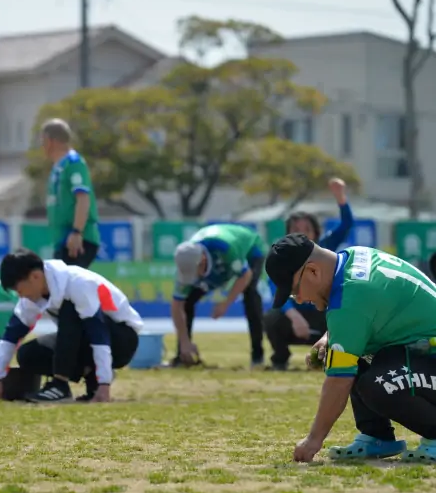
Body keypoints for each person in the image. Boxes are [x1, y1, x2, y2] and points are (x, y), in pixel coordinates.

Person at [266, 233, 436, 463]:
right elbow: (366, 309)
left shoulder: (351, 296)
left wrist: (313, 440)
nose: (298, 299)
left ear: (313, 271)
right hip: (422, 353)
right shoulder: (354, 257)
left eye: (295, 290)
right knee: (344, 355)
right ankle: (377, 436)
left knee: (376, 385)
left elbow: (339, 381)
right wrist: (329, 336)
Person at [0, 249, 143, 403]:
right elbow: (11, 337)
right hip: (87, 340)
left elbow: (98, 334)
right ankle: (90, 377)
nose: (20, 296)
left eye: (19, 290)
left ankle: (60, 385)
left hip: (121, 340)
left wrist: (104, 382)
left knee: (69, 310)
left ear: (35, 276)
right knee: (28, 354)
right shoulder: (32, 297)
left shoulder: (78, 283)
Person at [264, 177, 354, 370]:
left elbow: (346, 224)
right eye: (296, 230)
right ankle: (280, 359)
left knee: (339, 317)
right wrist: (295, 316)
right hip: (296, 316)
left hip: (321, 314)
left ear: (316, 232)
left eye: (307, 229)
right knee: (272, 317)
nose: (302, 234)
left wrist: (340, 197)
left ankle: (328, 356)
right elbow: (275, 288)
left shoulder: (324, 251)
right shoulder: (281, 257)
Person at [171, 223, 267, 368]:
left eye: (194, 273)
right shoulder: (186, 261)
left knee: (250, 295)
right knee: (188, 302)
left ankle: (257, 356)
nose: (192, 278)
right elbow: (177, 305)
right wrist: (184, 341)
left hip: (250, 249)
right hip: (216, 263)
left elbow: (245, 276)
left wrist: (225, 303)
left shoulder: (225, 249)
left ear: (203, 261)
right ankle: (183, 355)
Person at [42, 118, 101, 267]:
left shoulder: (73, 162)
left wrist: (77, 232)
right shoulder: (58, 167)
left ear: (49, 140)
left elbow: (83, 198)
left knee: (68, 282)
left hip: (76, 240)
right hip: (62, 240)